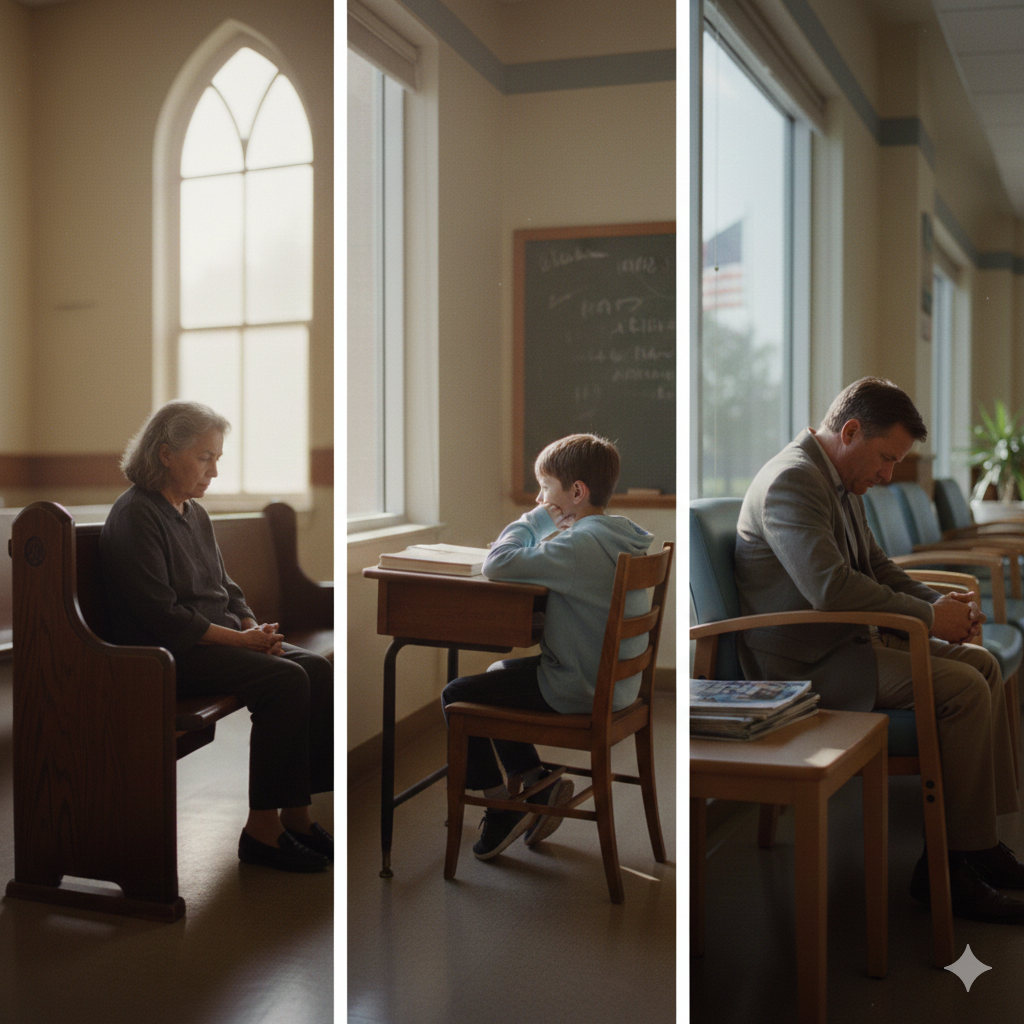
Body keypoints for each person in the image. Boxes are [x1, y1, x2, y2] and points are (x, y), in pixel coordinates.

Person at [735, 375, 1024, 922]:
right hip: (801, 664)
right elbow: (830, 588)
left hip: (842, 644)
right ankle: (950, 869)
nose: (890, 475)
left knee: (982, 666)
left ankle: (977, 846)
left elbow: (879, 569)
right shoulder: (792, 482)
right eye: (886, 458)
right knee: (963, 686)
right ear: (849, 431)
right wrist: (929, 617)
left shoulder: (839, 481)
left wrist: (941, 605)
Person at [100, 400, 334, 873]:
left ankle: (298, 814)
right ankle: (261, 832)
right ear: (166, 454)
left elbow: (226, 589)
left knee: (314, 667)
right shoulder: (136, 516)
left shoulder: (193, 512)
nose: (214, 472)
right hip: (166, 656)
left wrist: (251, 627)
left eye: (217, 460)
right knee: (286, 680)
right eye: (205, 458)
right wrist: (243, 643)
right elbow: (162, 617)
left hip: (214, 643)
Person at [441, 433, 654, 860]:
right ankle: (541, 782)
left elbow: (497, 564)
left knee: (456, 695)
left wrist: (536, 522)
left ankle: (501, 806)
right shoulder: (618, 535)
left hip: (580, 688)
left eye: (545, 489)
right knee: (499, 674)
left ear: (576, 492)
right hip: (617, 687)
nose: (540, 499)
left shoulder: (579, 544)